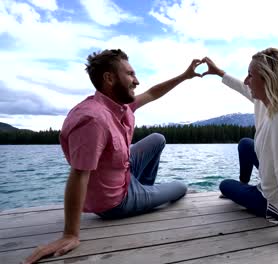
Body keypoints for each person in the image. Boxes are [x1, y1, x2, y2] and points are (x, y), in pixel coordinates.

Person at [23, 49, 202, 264]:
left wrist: (184, 76)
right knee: (180, 187)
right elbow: (79, 174)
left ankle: (144, 190)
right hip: (115, 202)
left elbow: (153, 93)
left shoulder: (119, 105)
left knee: (157, 138)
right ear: (109, 78)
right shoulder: (93, 120)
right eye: (130, 74)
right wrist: (70, 234)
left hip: (121, 173)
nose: (136, 81)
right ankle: (141, 197)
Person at [201, 48, 278, 261]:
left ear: (267, 79)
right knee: (245, 144)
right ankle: (246, 184)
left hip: (276, 203)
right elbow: (242, 88)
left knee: (225, 186)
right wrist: (219, 73)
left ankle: (246, 190)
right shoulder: (268, 101)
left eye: (251, 75)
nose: (246, 81)